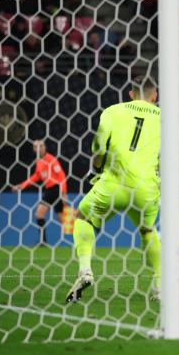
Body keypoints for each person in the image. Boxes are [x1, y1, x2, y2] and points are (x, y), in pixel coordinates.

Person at [66, 76, 161, 303]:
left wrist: (97, 168)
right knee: (147, 231)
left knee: (83, 217)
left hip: (112, 183)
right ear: (154, 95)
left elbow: (99, 146)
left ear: (130, 94)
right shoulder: (165, 118)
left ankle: (85, 270)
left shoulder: (112, 111)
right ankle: (159, 286)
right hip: (145, 188)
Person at [12, 140, 68, 246]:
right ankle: (43, 242)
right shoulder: (39, 161)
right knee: (61, 219)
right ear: (33, 149)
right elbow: (36, 176)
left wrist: (63, 192)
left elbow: (61, 175)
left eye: (41, 146)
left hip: (56, 190)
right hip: (49, 190)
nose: (38, 148)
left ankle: (43, 242)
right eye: (35, 146)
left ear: (45, 147)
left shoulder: (51, 159)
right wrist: (21, 186)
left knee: (41, 214)